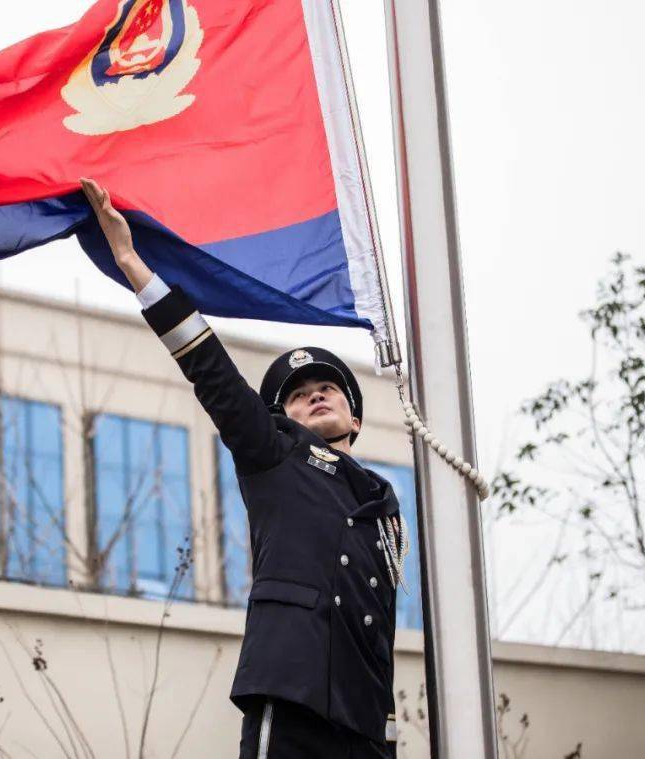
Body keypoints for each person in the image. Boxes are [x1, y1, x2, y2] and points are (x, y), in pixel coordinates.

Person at [80, 178, 407, 758]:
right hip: (293, 696)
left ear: (356, 420)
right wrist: (133, 264)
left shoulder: (385, 503)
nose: (318, 396)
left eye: (330, 388)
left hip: (364, 724)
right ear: (280, 418)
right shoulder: (276, 455)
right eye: (300, 394)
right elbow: (212, 370)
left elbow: (379, 626)